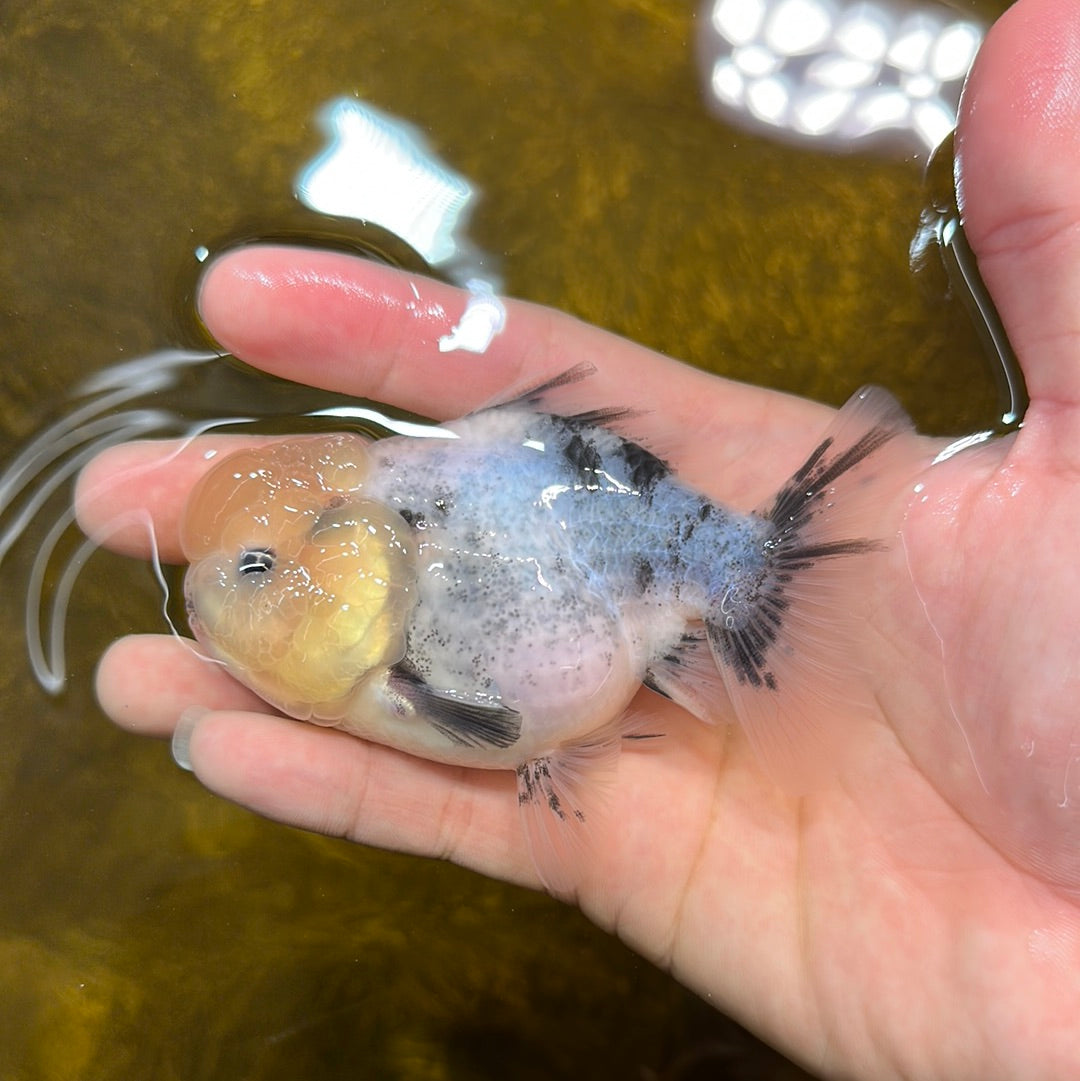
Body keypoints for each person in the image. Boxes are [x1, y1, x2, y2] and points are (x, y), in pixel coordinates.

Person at [74, 0, 1080, 1075]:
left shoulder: (406, 591)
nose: (237, 586)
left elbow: (497, 712)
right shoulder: (396, 571)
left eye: (264, 569)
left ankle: (754, 583)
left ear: (347, 552)